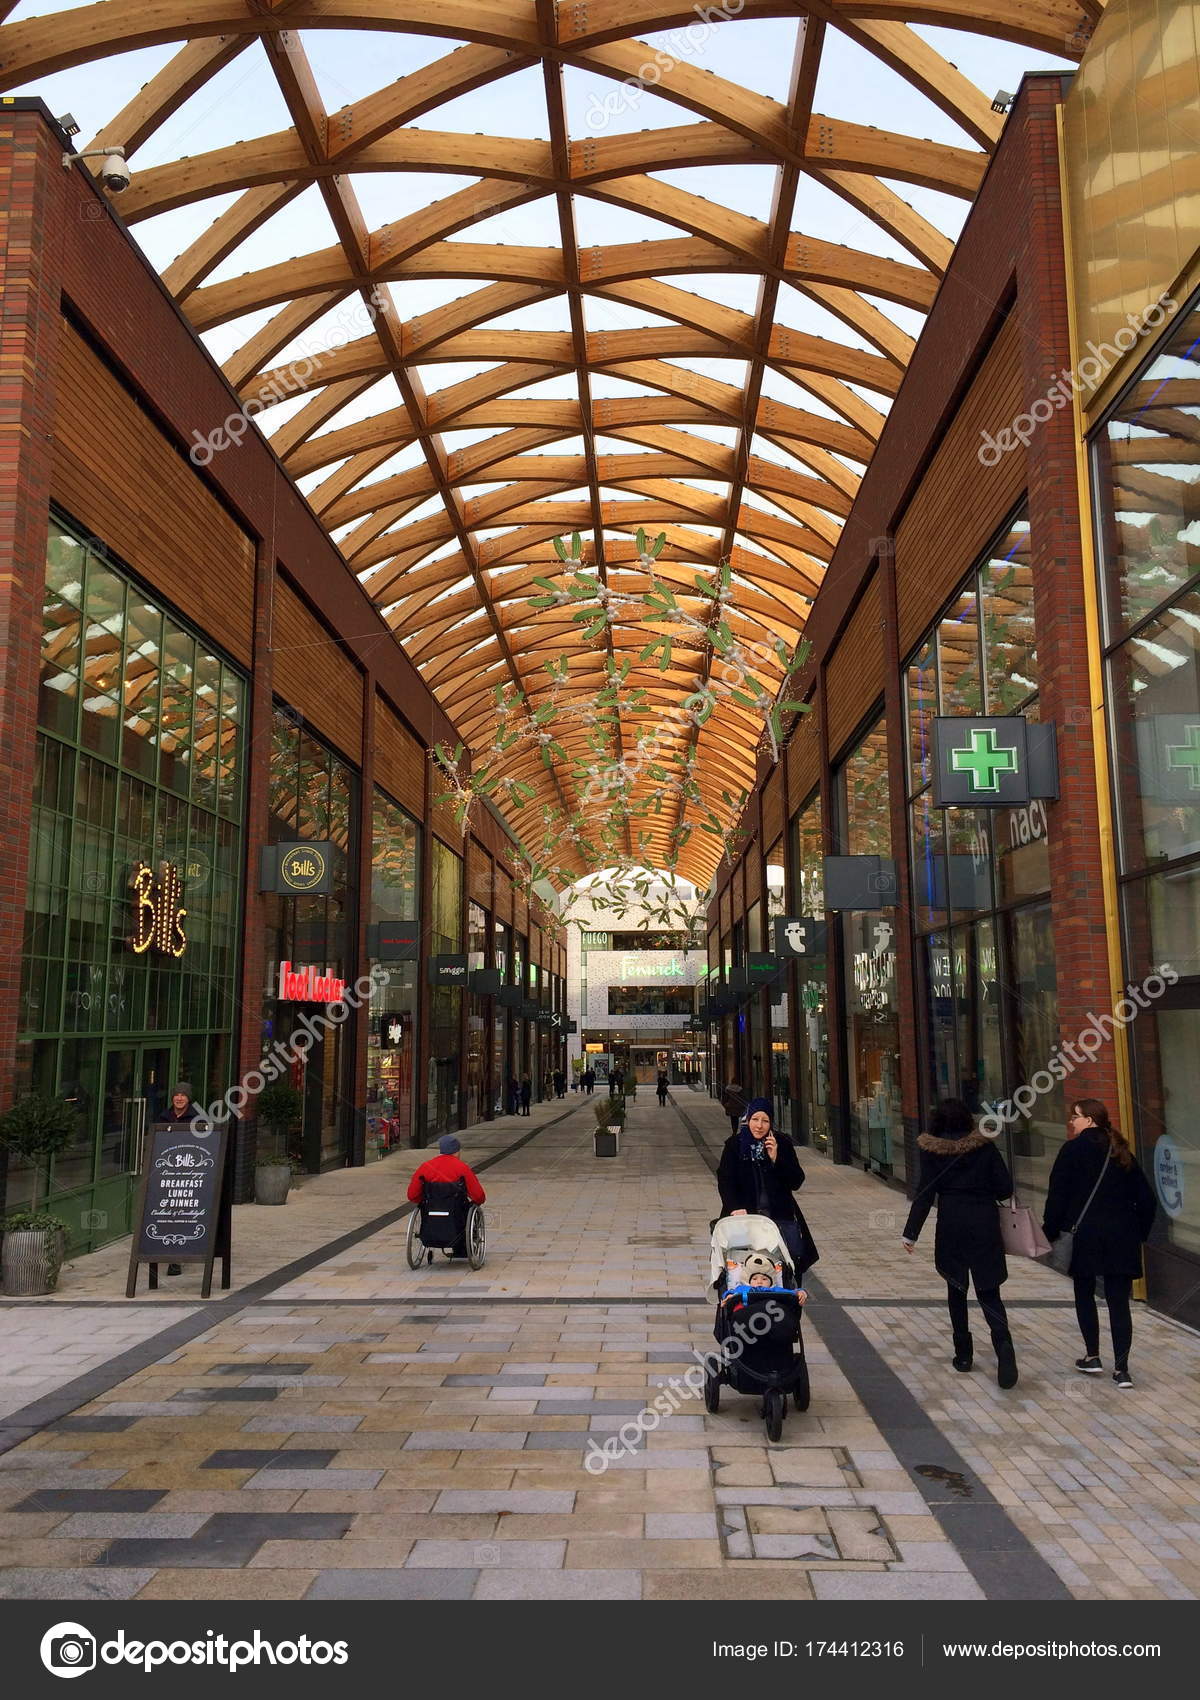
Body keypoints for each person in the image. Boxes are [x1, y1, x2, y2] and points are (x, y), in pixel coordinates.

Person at [901, 1097, 1018, 1389]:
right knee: (989, 1290)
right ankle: (1003, 1344)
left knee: (956, 1288)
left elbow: (925, 1193)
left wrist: (911, 1233)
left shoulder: (932, 1151)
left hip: (951, 1222)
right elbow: (1005, 1187)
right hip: (984, 1222)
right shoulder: (984, 1147)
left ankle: (963, 1354)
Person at [1043, 1098, 1156, 1389]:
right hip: (1122, 1236)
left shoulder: (1071, 1150)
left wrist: (1050, 1231)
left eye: (1075, 1116)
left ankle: (1092, 1356)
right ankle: (1122, 1370)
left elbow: (1057, 1197)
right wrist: (1139, 1233)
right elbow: (1147, 1200)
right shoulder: (1121, 1151)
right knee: (1119, 1303)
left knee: (1084, 1294)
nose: (1071, 1121)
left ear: (1090, 1120)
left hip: (1085, 1236)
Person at [717, 1096, 819, 1280]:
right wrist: (734, 1207)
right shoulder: (735, 1145)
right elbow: (725, 1181)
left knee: (782, 1273)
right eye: (755, 1119)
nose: (759, 1125)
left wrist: (776, 1159)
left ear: (771, 1122)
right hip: (744, 1221)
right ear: (748, 1120)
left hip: (778, 1220)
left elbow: (796, 1181)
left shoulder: (782, 1143)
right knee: (744, 1273)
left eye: (765, 1120)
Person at [161, 1082, 204, 1276]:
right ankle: (168, 1252)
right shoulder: (164, 1116)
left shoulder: (197, 1118)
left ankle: (178, 1256)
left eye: (183, 1095)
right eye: (176, 1095)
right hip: (166, 1174)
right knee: (167, 1215)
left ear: (189, 1098)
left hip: (188, 1175)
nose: (179, 1098)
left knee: (183, 1214)